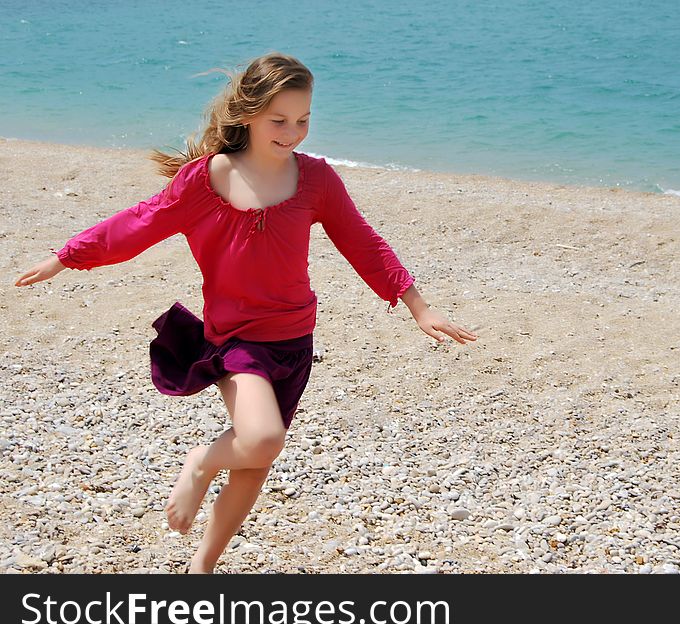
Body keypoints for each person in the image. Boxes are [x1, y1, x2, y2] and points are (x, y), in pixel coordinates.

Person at [14, 52, 478, 573]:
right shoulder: (203, 180)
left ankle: (201, 570)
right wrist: (65, 256)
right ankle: (200, 462)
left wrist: (417, 305)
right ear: (248, 114)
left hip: (294, 339)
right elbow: (137, 224)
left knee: (256, 461)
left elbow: (362, 243)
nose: (292, 132)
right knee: (260, 439)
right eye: (279, 120)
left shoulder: (317, 180)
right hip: (235, 341)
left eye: (303, 120)